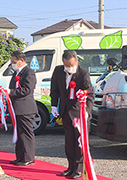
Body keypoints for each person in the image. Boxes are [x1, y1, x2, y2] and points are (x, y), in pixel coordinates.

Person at [50, 50, 94, 179]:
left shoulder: (83, 73)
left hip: (79, 113)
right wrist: (54, 105)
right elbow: (55, 90)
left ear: (77, 61)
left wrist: (87, 111)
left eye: (71, 65)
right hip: (65, 112)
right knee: (69, 142)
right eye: (67, 65)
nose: (69, 68)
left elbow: (90, 94)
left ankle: (78, 169)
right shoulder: (58, 71)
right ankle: (70, 167)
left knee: (79, 142)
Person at [8, 50, 37, 166]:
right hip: (16, 108)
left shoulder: (29, 72)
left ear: (22, 60)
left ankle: (28, 157)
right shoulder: (16, 73)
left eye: (14, 62)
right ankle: (20, 157)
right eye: (11, 62)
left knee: (26, 133)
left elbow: (26, 89)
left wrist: (11, 92)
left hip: (26, 108)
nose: (13, 64)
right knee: (19, 133)